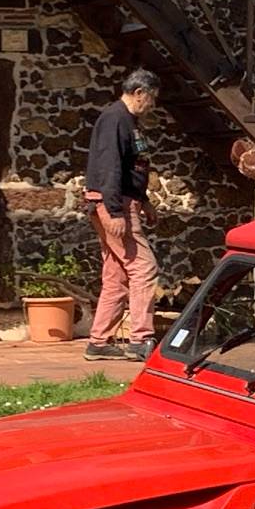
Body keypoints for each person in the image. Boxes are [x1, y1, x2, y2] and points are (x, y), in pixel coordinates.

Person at [84, 70, 160, 359]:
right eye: (152, 98)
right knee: (144, 268)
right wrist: (114, 211)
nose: (152, 104)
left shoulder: (128, 121)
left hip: (122, 202)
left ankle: (99, 343)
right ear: (140, 92)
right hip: (114, 206)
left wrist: (144, 200)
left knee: (116, 276)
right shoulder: (115, 118)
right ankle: (140, 340)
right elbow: (110, 167)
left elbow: (132, 168)